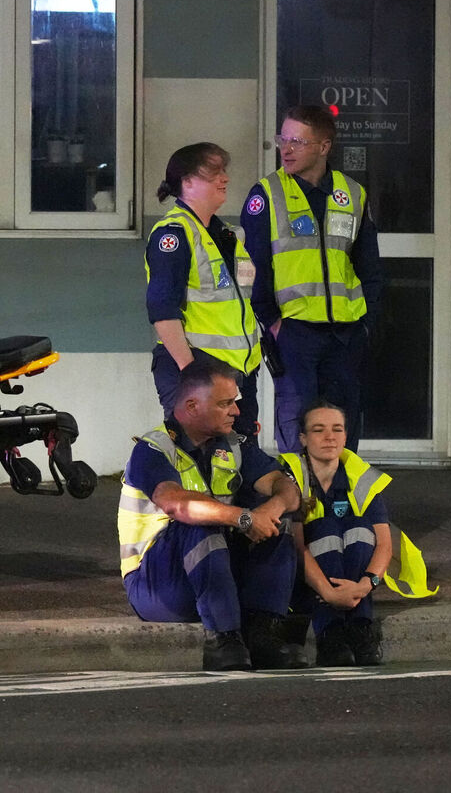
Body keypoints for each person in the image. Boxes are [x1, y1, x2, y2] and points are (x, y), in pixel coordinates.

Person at [117, 359, 305, 671]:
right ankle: (224, 640)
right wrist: (244, 518)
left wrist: (270, 510)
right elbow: (176, 503)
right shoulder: (153, 450)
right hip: (156, 585)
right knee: (201, 522)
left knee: (279, 522)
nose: (236, 412)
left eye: (235, 402)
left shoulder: (233, 444)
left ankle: (262, 636)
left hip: (215, 578)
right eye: (225, 403)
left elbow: (286, 487)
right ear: (192, 405)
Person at [240, 105, 383, 454]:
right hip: (294, 332)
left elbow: (369, 267)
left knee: (342, 422)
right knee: (296, 421)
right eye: (282, 139)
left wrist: (367, 324)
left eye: (297, 141)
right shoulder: (266, 194)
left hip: (344, 333)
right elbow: (253, 267)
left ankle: (339, 500)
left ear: (323, 146)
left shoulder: (352, 194)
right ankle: (298, 503)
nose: (285, 149)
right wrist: (273, 323)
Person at [145, 143, 263, 444]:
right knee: (199, 463)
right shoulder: (173, 234)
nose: (224, 178)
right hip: (198, 372)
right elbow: (162, 311)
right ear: (187, 183)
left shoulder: (228, 235)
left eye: (224, 171)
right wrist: (192, 374)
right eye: (213, 173)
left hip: (238, 372)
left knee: (238, 464)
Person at [280, 400, 392, 666]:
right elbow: (296, 547)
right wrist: (329, 594)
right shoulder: (290, 476)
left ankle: (359, 627)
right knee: (327, 528)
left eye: (337, 429)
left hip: (358, 583)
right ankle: (329, 632)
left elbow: (385, 545)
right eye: (319, 430)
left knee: (359, 528)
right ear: (303, 439)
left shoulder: (361, 476)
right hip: (304, 581)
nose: (330, 437)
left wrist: (366, 586)